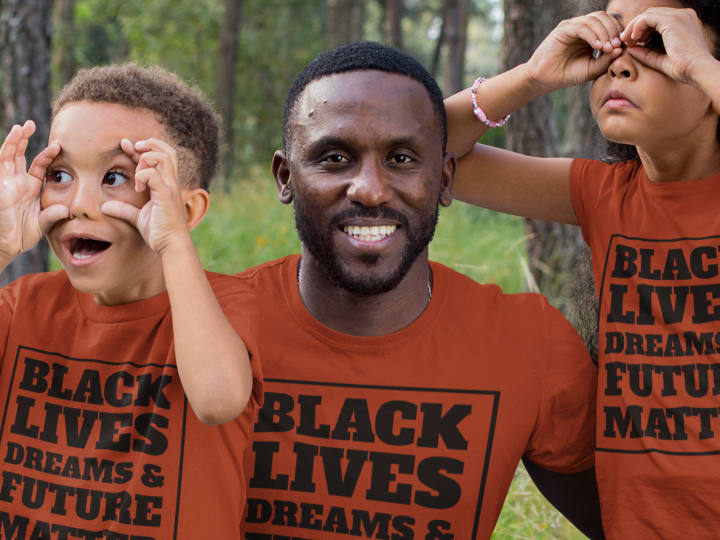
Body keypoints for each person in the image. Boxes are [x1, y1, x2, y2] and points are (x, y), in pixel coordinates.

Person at [238, 41, 602, 539]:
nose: (369, 188)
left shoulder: (528, 345)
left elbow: (642, 523)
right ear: (286, 177)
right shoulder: (211, 325)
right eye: (336, 157)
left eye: (402, 158)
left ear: (445, 179)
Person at [444, 1, 720, 538]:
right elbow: (417, 153)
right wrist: (529, 77)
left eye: (657, 43)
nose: (619, 61)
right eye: (611, 41)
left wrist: (698, 65)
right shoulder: (604, 196)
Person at [0, 64, 260, 539]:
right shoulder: (21, 308)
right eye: (60, 173)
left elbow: (218, 400)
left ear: (186, 209)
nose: (80, 202)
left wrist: (173, 242)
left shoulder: (225, 306)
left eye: (115, 178)